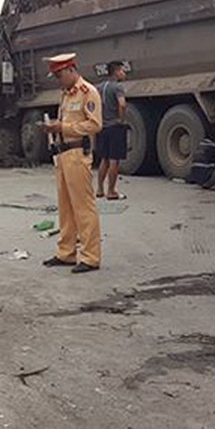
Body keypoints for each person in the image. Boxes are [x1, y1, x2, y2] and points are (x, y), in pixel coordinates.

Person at [41, 53, 103, 274]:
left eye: (59, 75)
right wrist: (55, 129)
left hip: (78, 153)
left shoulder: (88, 92)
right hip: (63, 154)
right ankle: (66, 252)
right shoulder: (66, 94)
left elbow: (95, 125)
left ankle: (91, 256)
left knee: (83, 207)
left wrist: (62, 128)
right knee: (66, 207)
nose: (58, 80)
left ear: (70, 70)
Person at [95, 60, 128, 200]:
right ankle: (111, 191)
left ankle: (100, 189)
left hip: (103, 127)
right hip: (115, 126)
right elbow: (122, 104)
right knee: (114, 160)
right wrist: (121, 119)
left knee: (104, 159)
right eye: (122, 70)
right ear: (115, 72)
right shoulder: (117, 87)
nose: (124, 73)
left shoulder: (100, 87)